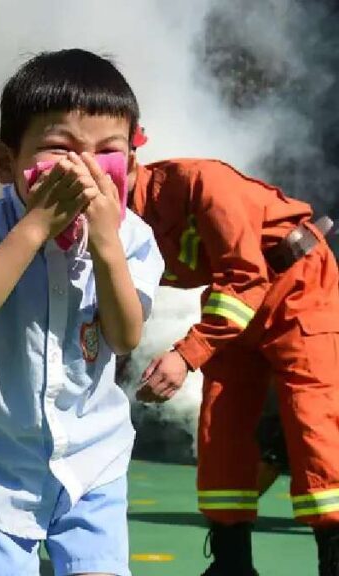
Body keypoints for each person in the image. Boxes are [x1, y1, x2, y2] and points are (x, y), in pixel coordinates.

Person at [0, 49, 165, 576]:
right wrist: (35, 226)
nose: (83, 171)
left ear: (129, 165)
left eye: (107, 153)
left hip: (93, 465)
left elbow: (125, 335)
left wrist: (105, 241)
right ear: (4, 162)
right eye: (59, 149)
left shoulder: (132, 237)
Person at [124, 68, 339, 576]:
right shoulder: (114, 227)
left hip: (297, 293)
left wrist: (185, 354)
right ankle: (231, 565)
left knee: (314, 426)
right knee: (220, 425)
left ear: (133, 152)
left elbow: (245, 278)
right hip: (236, 310)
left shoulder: (202, 183)